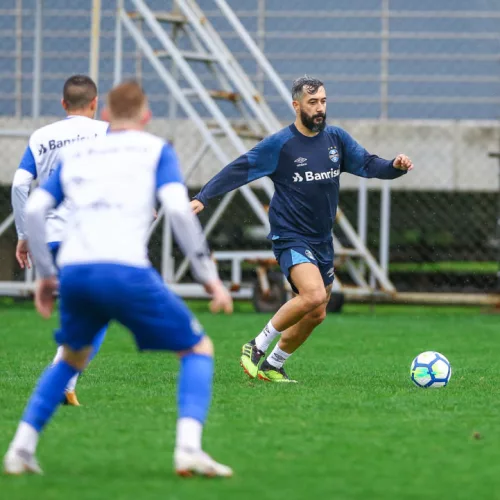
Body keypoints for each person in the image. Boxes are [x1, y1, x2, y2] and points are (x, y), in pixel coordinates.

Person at [3, 80, 234, 477]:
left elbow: (37, 208)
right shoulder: (156, 149)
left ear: (106, 113)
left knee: (72, 356)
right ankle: (188, 449)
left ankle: (21, 449)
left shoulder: (76, 153)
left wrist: (44, 275)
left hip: (75, 272)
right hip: (124, 270)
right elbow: (178, 212)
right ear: (146, 115)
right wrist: (208, 276)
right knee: (198, 349)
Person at [191, 76, 414, 383]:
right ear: (296, 106)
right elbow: (240, 168)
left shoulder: (336, 139)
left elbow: (369, 164)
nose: (320, 108)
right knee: (311, 295)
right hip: (290, 235)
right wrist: (204, 197)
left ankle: (274, 364)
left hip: (322, 239)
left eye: (323, 101)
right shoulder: (280, 145)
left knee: (316, 312)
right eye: (313, 103)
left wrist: (395, 167)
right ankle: (257, 345)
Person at [11, 74, 109, 405]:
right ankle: (62, 377)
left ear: (64, 104)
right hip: (87, 239)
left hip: (50, 239)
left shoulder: (42, 136)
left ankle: (64, 376)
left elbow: (19, 185)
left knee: (83, 312)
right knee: (99, 311)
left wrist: (24, 234)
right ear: (96, 103)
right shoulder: (105, 132)